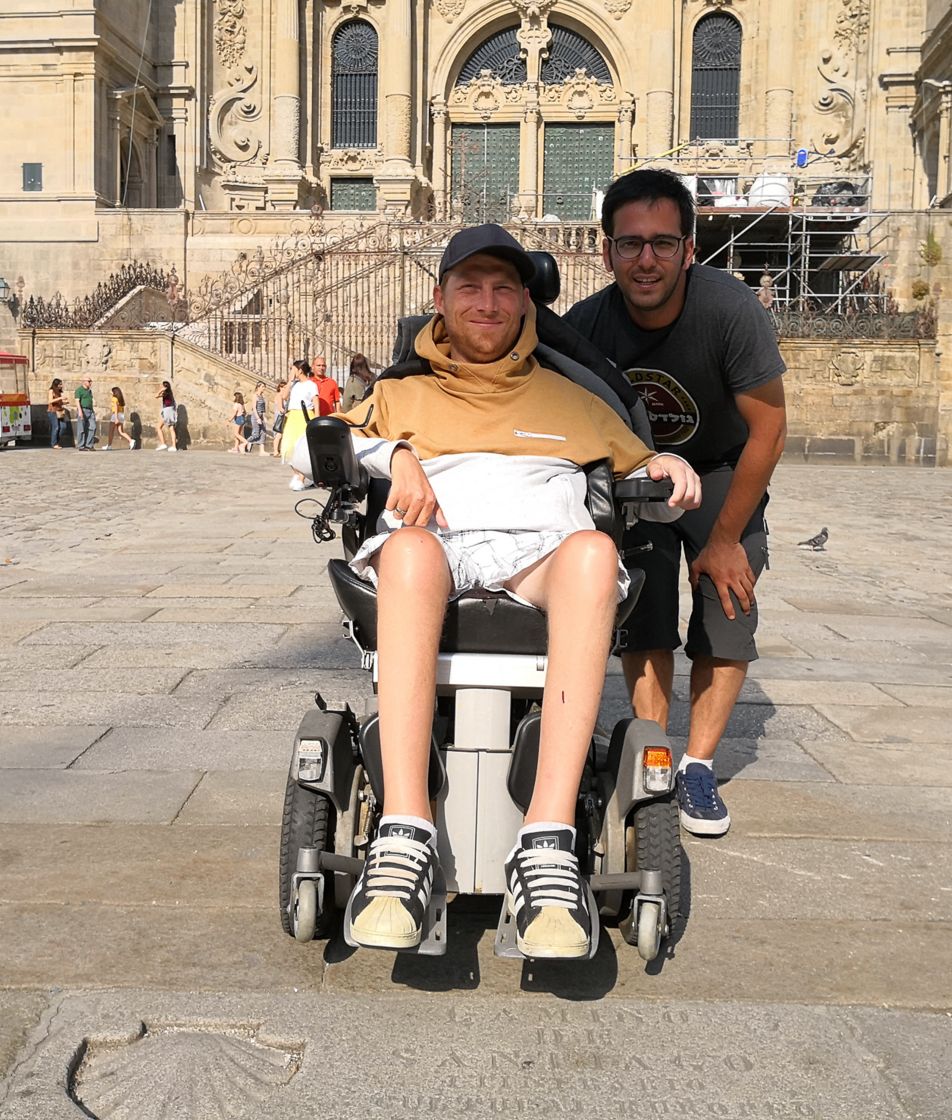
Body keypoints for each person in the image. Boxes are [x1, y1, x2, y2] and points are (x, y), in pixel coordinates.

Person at [292, 224, 700, 959]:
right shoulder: (398, 391)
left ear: (526, 303)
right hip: (436, 547)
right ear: (440, 299)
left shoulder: (575, 399)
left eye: (504, 288)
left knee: (595, 552)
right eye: (470, 287)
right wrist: (395, 454)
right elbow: (303, 447)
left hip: (540, 553)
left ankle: (547, 843)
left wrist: (674, 462)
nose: (487, 302)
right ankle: (404, 834)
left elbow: (646, 465)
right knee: (409, 552)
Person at [564, 168, 788, 840]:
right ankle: (654, 752)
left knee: (727, 608)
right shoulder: (589, 326)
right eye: (630, 244)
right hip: (640, 473)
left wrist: (723, 541)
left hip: (722, 466)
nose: (646, 259)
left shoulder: (730, 312)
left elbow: (770, 430)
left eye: (664, 243)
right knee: (644, 606)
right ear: (606, 251)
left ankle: (697, 764)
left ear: (691, 250)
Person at [280, 360, 317, 480]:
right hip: (293, 417)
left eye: (293, 369)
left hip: (305, 416)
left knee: (304, 448)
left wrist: (317, 420)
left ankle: (301, 478)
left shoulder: (311, 385)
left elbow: (316, 404)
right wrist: (290, 381)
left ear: (300, 370)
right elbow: (284, 396)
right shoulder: (294, 384)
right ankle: (300, 474)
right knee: (287, 448)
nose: (291, 371)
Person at [74, 377, 97, 451]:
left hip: (90, 410)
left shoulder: (89, 391)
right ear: (84, 382)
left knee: (93, 427)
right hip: (82, 410)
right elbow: (77, 401)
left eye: (90, 381)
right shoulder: (79, 390)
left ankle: (89, 444)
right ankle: (81, 445)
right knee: (81, 428)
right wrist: (80, 411)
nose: (90, 383)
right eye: (89, 381)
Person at [246, 381, 268, 455]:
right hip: (256, 417)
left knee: (263, 433)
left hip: (261, 416)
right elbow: (254, 408)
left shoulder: (261, 396)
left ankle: (262, 451)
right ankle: (244, 443)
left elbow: (262, 409)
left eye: (264, 387)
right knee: (256, 434)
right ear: (258, 387)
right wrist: (258, 418)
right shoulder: (255, 396)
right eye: (262, 387)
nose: (264, 388)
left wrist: (263, 417)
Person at [270, 379, 289, 458]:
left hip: (283, 416)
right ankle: (275, 451)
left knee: (281, 435)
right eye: (283, 387)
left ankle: (279, 450)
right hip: (279, 417)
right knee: (278, 434)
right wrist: (286, 413)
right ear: (280, 388)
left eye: (286, 387)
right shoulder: (279, 395)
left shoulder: (285, 397)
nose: (285, 389)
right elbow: (280, 408)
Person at [156, 380, 177, 450]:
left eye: (161, 385)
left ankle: (163, 443)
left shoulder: (165, 393)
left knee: (158, 427)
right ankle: (174, 446)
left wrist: (161, 390)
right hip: (171, 411)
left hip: (167, 411)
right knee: (171, 429)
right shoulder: (170, 394)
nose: (160, 386)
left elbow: (156, 396)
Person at [48, 379, 68, 449]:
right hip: (53, 411)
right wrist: (60, 398)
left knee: (63, 426)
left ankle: (56, 441)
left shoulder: (58, 392)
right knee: (56, 427)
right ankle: (54, 443)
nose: (61, 386)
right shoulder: (51, 391)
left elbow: (58, 402)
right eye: (59, 384)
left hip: (59, 411)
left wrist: (63, 402)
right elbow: (51, 401)